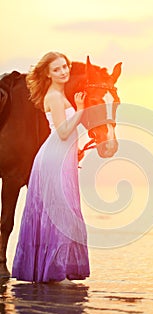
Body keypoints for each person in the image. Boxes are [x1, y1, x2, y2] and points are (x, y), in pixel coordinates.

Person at [12, 52, 90, 282]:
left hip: (61, 156)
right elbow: (63, 131)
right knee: (60, 214)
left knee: (63, 212)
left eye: (65, 66)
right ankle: (54, 271)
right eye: (57, 69)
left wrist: (76, 151)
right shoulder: (55, 96)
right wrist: (82, 109)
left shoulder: (59, 94)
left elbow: (64, 134)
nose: (64, 71)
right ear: (48, 73)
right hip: (54, 158)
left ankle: (57, 269)